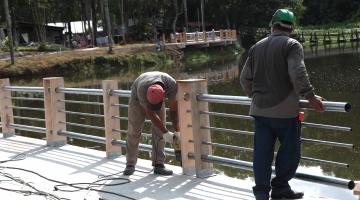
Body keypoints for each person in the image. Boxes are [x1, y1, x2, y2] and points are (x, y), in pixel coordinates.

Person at [240, 9, 325, 200]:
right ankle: (280, 188)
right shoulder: (292, 45)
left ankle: (262, 194)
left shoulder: (256, 47)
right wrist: (311, 97)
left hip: (260, 112)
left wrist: (255, 96)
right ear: (291, 27)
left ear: (273, 24)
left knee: (261, 155)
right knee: (290, 152)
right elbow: (297, 72)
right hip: (285, 113)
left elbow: (245, 79)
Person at [123, 71, 180, 176]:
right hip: (137, 98)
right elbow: (151, 113)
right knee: (134, 130)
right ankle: (130, 164)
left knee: (159, 131)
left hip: (155, 96)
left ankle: (159, 164)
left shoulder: (172, 84)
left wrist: (177, 131)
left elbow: (173, 110)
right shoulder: (142, 88)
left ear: (163, 94)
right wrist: (166, 132)